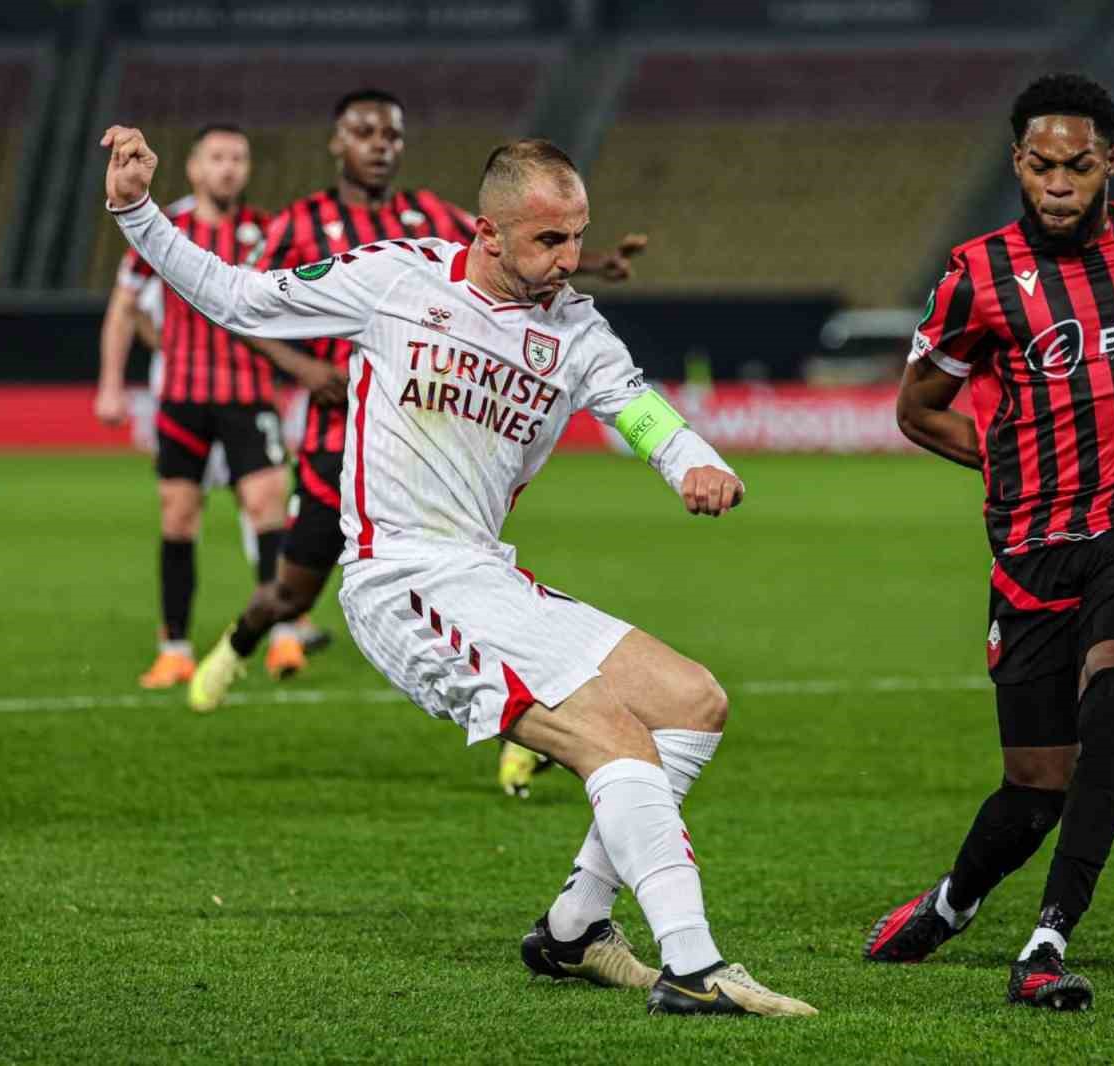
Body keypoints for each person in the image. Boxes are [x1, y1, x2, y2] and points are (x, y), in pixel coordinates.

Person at [103, 124, 813, 1017]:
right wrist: (137, 211)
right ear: (488, 233)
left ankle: (574, 930)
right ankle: (693, 968)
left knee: (691, 701)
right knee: (614, 739)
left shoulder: (575, 330)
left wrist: (691, 461)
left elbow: (634, 406)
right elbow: (240, 298)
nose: (570, 259)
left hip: (489, 578)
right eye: (549, 239)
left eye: (578, 237)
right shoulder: (397, 278)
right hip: (400, 581)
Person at [864, 74, 1114, 1012]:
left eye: (1079, 166)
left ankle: (1048, 940)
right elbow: (918, 410)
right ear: (1018, 162)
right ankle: (953, 901)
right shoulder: (977, 274)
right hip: (1032, 544)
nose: (1058, 184)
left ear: (1112, 164)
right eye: (1041, 165)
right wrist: (1011, 464)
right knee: (1034, 787)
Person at [185, 88, 647, 708]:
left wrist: (594, 264)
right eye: (366, 133)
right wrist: (305, 369)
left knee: (479, 592)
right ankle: (235, 647)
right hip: (337, 441)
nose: (380, 146)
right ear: (337, 142)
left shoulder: (429, 215)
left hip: (426, 442)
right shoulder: (297, 222)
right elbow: (248, 307)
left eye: (392, 135)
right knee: (292, 593)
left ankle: (527, 726)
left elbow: (513, 243)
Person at [93, 127, 318, 687]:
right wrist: (111, 383)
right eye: (217, 157)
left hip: (250, 394)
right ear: (194, 168)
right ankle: (174, 648)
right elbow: (124, 305)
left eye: (238, 157)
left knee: (267, 506)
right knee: (178, 516)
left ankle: (282, 636)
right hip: (183, 398)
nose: (228, 167)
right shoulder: (164, 227)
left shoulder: (268, 230)